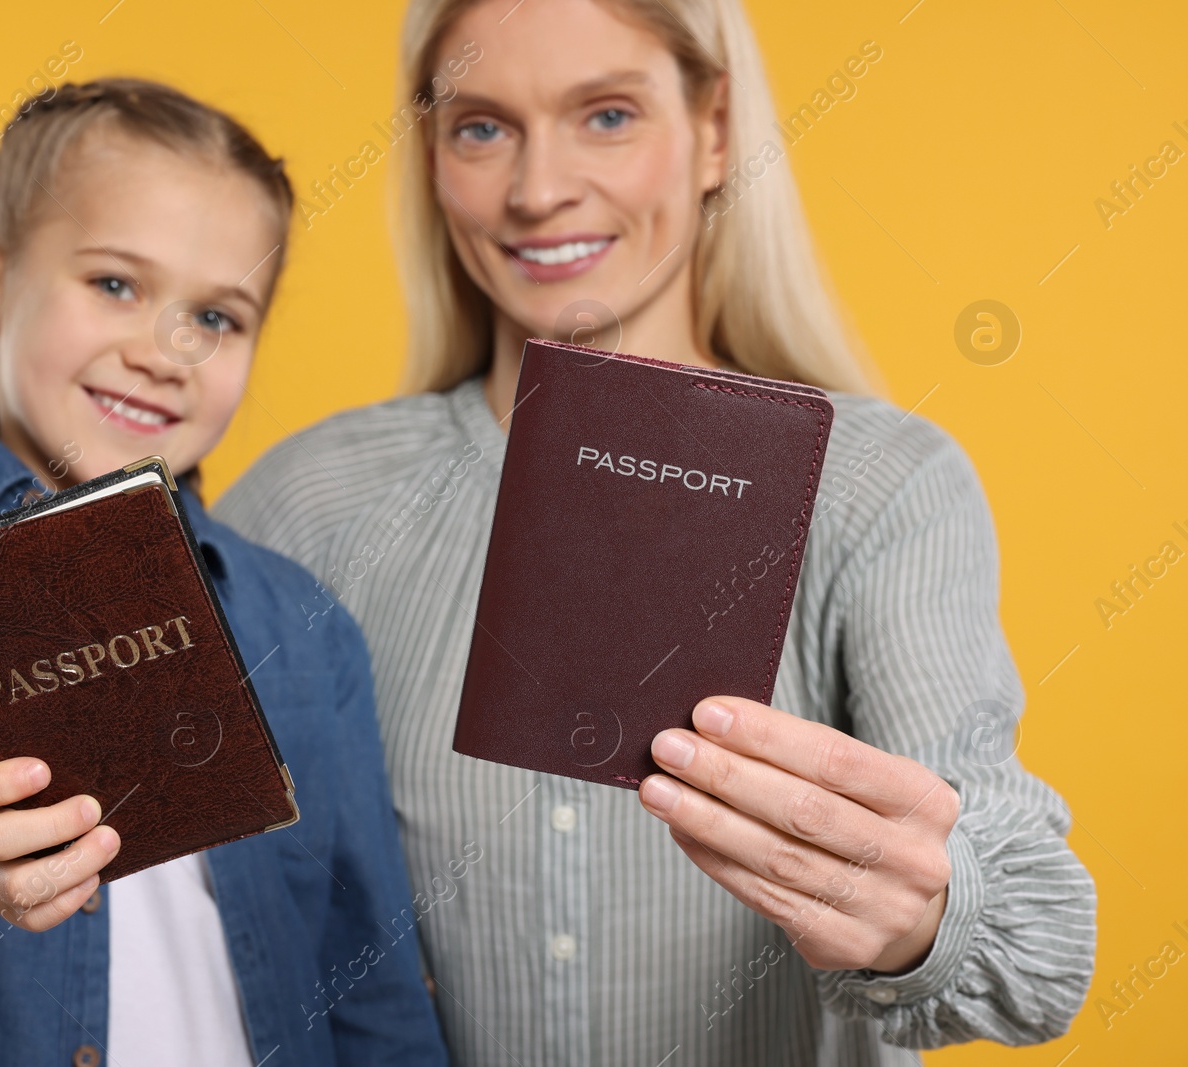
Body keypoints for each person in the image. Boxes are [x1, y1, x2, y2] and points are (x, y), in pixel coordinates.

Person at [213, 1, 1097, 1063]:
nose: (537, 190)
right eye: (480, 127)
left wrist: (924, 914)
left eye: (608, 115)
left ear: (716, 130)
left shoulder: (880, 488)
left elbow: (1039, 951)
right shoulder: (307, 503)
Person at [0, 78, 446, 1067]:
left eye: (217, 318)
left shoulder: (307, 624)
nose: (163, 351)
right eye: (115, 284)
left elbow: (370, 975)